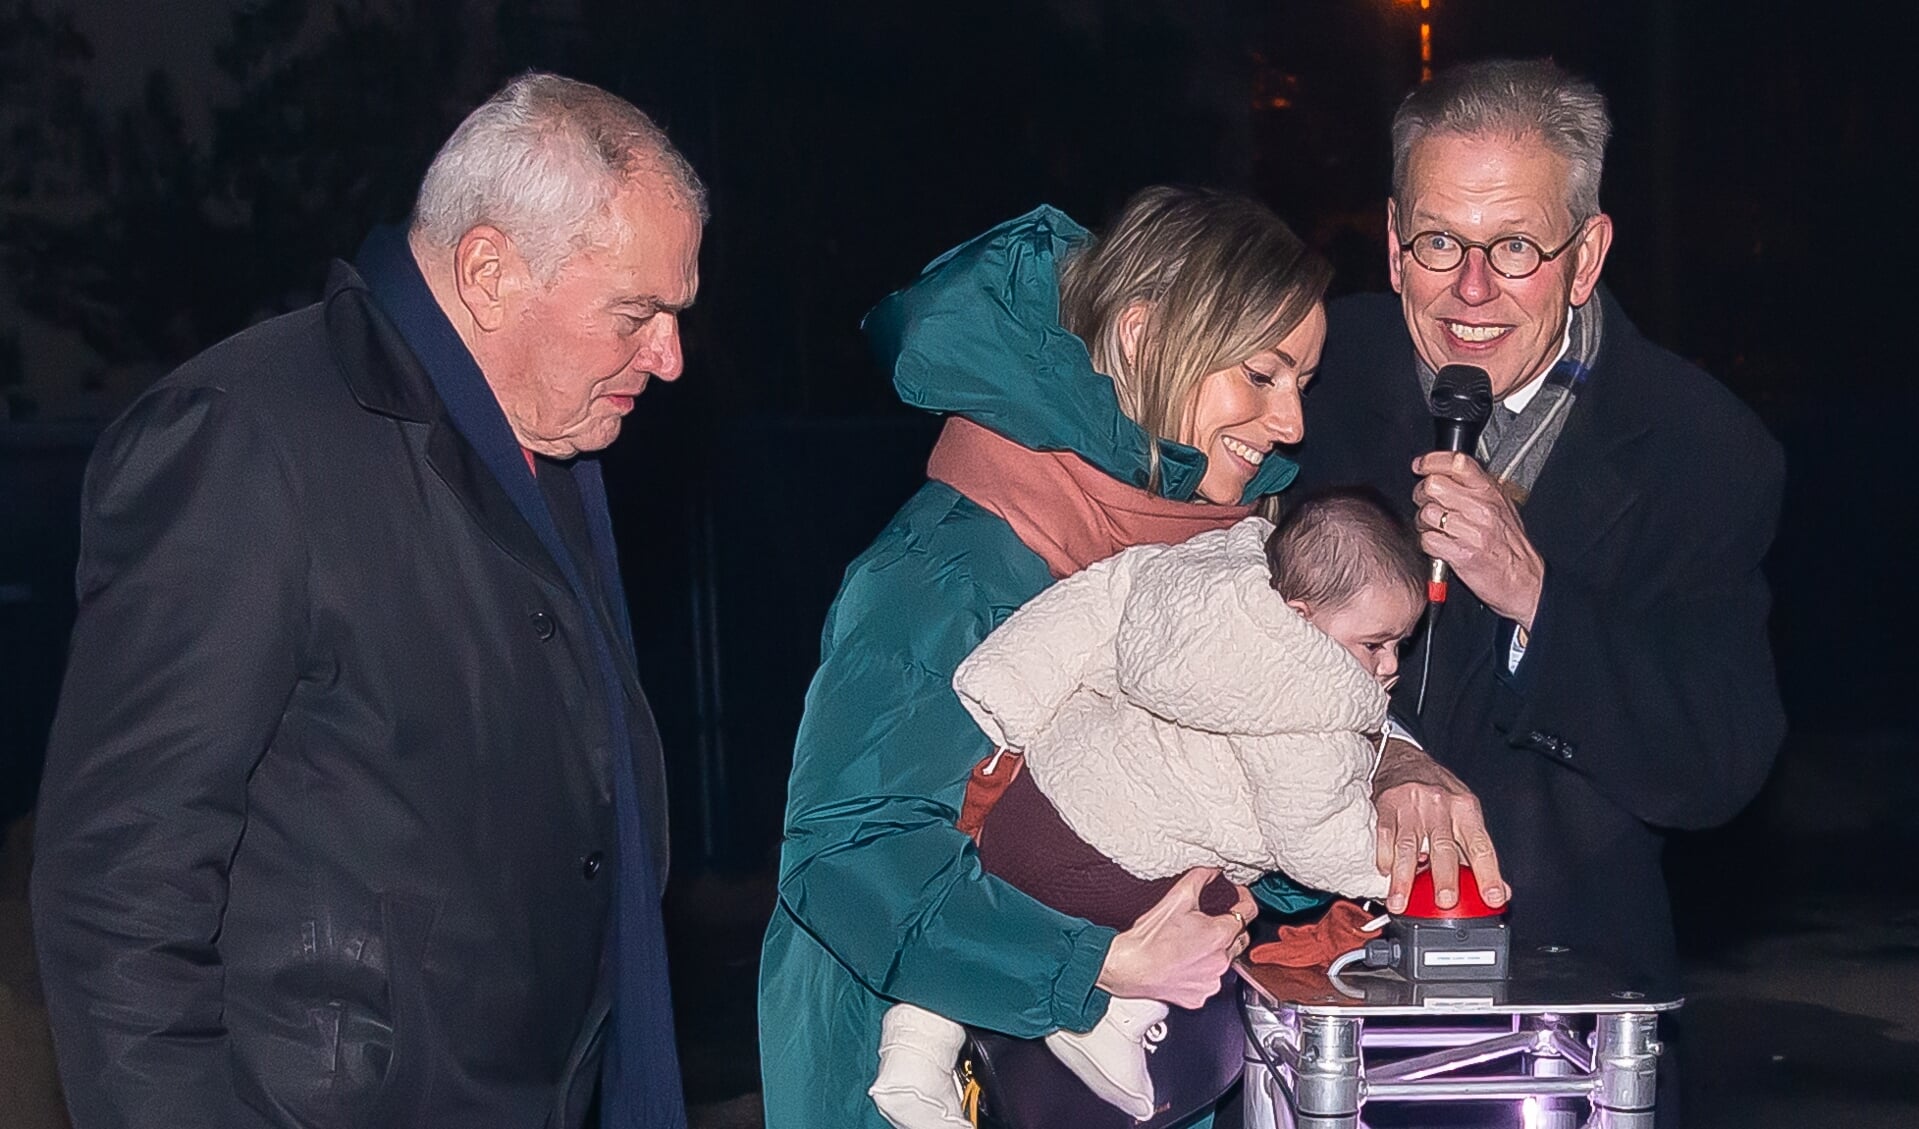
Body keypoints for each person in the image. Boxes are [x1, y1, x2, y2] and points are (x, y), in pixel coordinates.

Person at [31, 73, 704, 1128]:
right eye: (638, 313)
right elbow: (122, 879)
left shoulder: (549, 451)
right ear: (489, 271)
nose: (667, 358)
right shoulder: (245, 439)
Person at [757, 186, 1507, 1129]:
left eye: (1302, 386)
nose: (1291, 426)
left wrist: (1388, 765)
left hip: (1122, 1079)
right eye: (1261, 376)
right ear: (1147, 337)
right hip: (923, 1086)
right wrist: (1093, 963)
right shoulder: (951, 565)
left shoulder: (1222, 552)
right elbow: (844, 852)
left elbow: (1239, 808)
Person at [1294, 58, 1786, 986]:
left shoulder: (1701, 448)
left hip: (1558, 996)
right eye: (1441, 241)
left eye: (1515, 246)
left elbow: (1716, 764)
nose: (1471, 290)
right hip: (1300, 966)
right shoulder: (1300, 382)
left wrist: (1535, 600)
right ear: (1395, 242)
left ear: (1586, 256)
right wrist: (1382, 750)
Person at [870, 491, 1427, 1129]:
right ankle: (1109, 1020)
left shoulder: (1191, 574)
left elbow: (1088, 604)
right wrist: (1400, 877)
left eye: (1399, 647)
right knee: (1221, 909)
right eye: (1376, 644)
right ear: (1300, 617)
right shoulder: (1307, 706)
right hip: (1112, 872)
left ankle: (913, 1053)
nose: (1388, 667)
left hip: (1026, 814)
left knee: (985, 940)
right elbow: (1314, 839)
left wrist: (1004, 693)